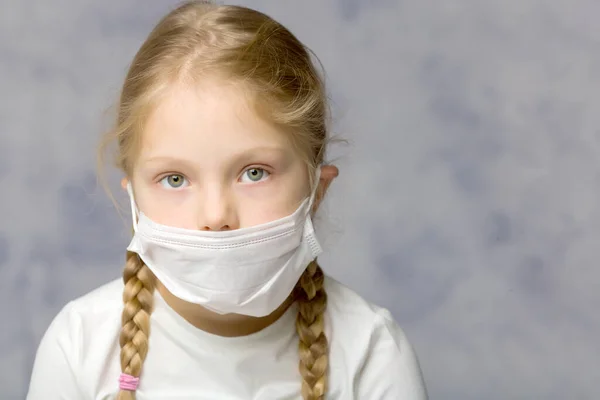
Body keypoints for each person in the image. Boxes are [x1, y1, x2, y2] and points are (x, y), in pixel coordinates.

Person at [26, 1, 427, 399]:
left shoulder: (371, 353)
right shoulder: (78, 347)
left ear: (316, 191)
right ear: (136, 202)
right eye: (175, 178)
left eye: (254, 173)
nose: (216, 216)